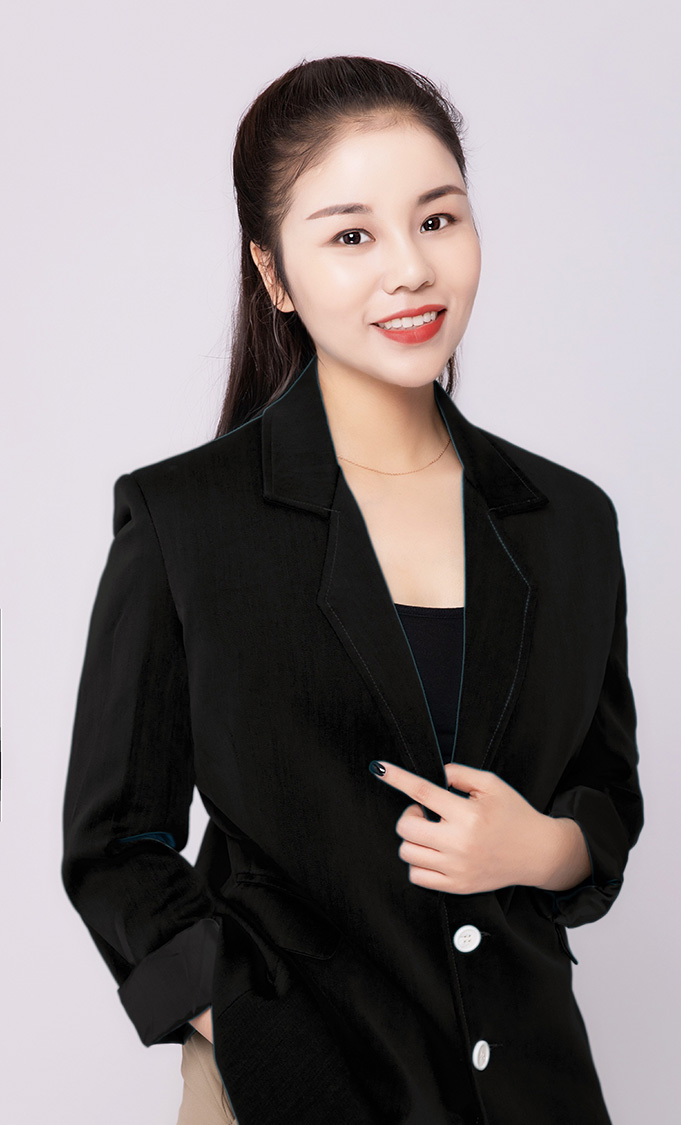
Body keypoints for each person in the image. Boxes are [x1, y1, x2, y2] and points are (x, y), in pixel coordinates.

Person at [61, 55, 644, 1125]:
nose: (411, 270)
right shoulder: (185, 520)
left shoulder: (569, 521)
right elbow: (114, 844)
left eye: (438, 220)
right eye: (351, 236)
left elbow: (605, 795)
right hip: (289, 1089)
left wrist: (544, 846)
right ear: (274, 273)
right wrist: (245, 1027)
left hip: (529, 1087)